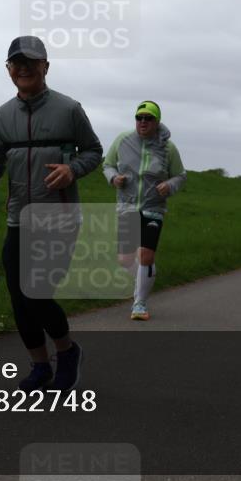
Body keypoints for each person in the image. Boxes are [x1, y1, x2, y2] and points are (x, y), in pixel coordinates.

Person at [0, 36, 103, 392]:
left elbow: (93, 151)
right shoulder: (3, 115)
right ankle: (41, 366)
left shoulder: (68, 109)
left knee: (37, 293)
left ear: (46, 66)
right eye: (16, 62)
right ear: (8, 69)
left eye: (31, 61)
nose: (24, 68)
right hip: (18, 219)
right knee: (18, 297)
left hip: (58, 218)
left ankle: (68, 352)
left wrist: (72, 170)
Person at [102, 101, 186, 321]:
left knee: (145, 255)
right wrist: (113, 177)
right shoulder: (122, 140)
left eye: (148, 118)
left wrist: (169, 186)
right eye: (139, 117)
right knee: (125, 260)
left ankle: (139, 303)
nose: (143, 122)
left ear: (157, 121)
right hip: (126, 206)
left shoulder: (169, 148)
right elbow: (107, 164)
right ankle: (145, 277)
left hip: (153, 208)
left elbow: (180, 175)